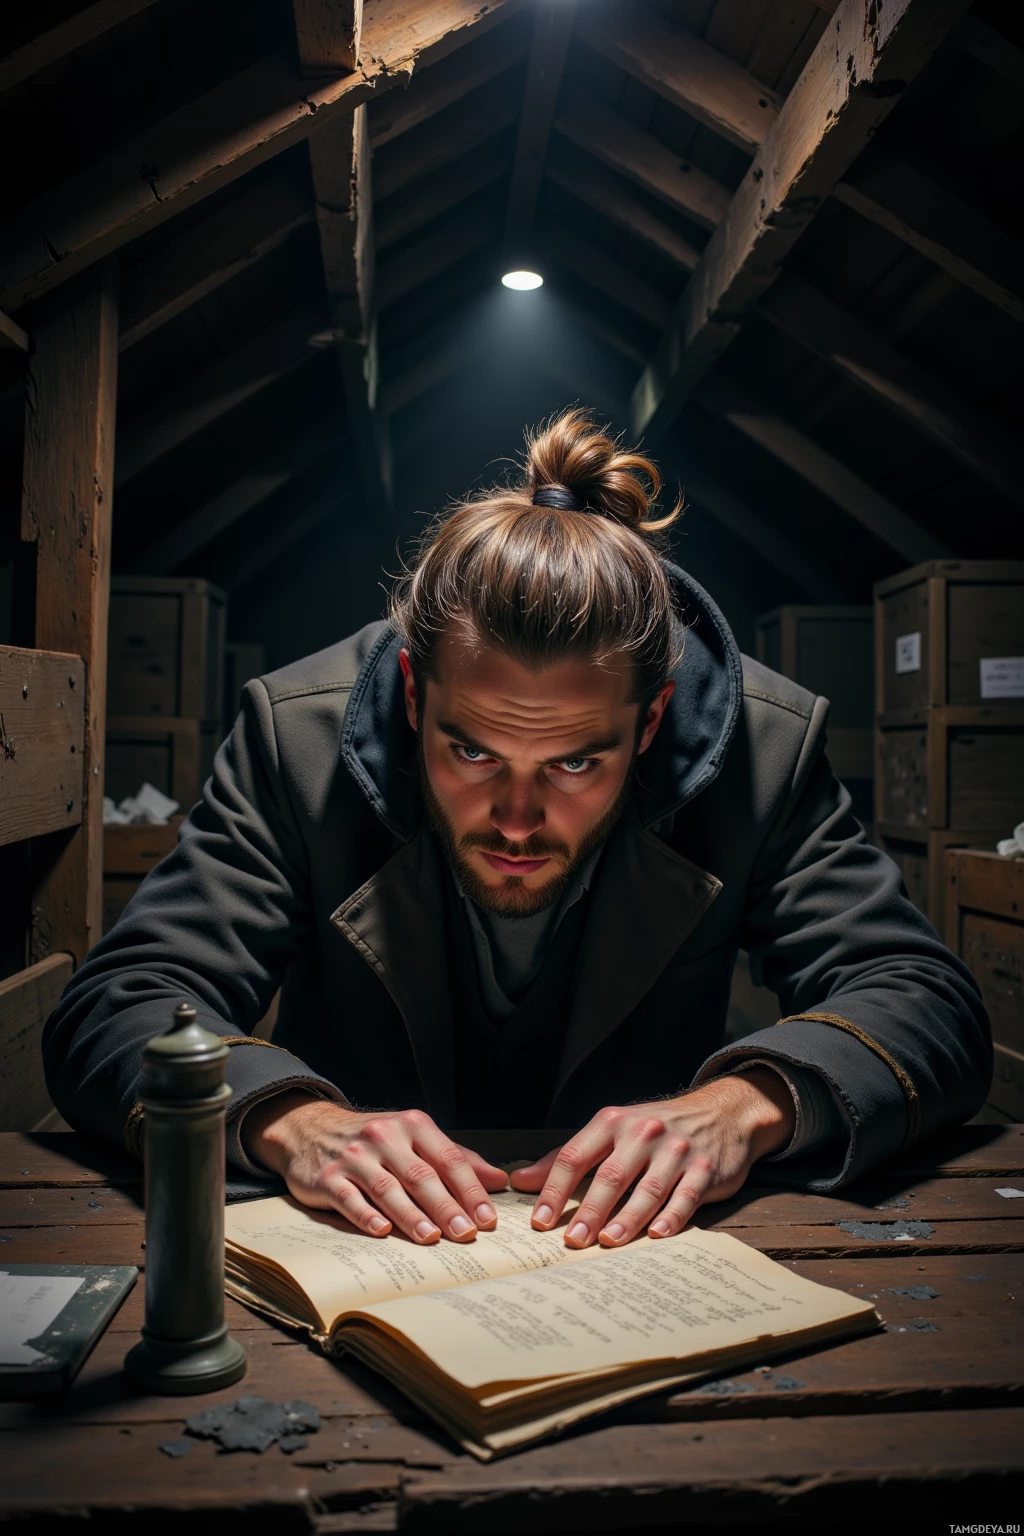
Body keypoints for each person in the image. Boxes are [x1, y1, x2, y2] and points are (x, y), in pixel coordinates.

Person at [44, 410, 990, 1251]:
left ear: (652, 721)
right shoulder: (296, 739)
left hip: (637, 1257)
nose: (518, 819)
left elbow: (922, 997)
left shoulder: (763, 750)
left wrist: (748, 1106)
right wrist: (289, 1119)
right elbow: (122, 1002)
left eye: (576, 763)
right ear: (413, 694)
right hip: (358, 1252)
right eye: (473, 752)